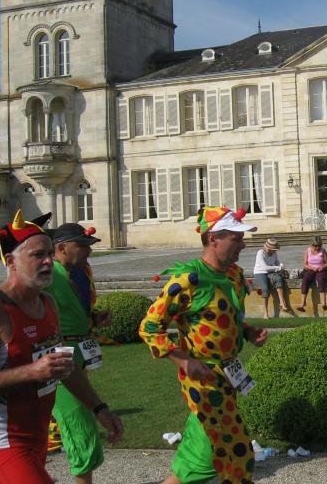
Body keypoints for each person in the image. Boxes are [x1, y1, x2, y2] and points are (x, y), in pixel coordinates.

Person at [0, 210, 122, 483]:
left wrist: (99, 408)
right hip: (4, 437)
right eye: (38, 255)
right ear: (11, 261)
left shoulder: (48, 304)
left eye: (49, 253)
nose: (48, 261)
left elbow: (64, 367)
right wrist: (31, 371)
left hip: (37, 434)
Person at [139, 205, 267, 484]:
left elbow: (231, 315)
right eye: (236, 238)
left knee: (209, 449)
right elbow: (149, 327)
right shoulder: (189, 279)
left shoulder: (234, 274)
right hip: (202, 377)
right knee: (233, 451)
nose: (243, 244)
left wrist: (247, 331)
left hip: (228, 373)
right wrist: (184, 361)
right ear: (213, 239)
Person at [45, 223, 122, 484]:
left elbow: (71, 312)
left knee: (80, 423)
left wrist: (94, 318)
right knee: (81, 426)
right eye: (83, 246)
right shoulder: (47, 275)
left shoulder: (79, 273)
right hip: (60, 359)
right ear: (62, 248)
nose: (88, 251)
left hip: (78, 356)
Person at [253, 237, 290, 318]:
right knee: (265, 289)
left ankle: (282, 302)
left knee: (278, 279)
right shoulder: (260, 253)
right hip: (260, 272)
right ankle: (265, 313)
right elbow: (264, 267)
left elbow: (277, 262)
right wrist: (278, 268)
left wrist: (281, 265)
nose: (275, 251)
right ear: (269, 248)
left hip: (270, 272)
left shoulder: (274, 253)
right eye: (274, 249)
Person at [297, 235, 327, 313]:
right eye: (315, 246)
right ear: (312, 244)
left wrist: (322, 267)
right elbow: (305, 264)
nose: (317, 247)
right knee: (305, 280)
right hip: (310, 269)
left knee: (321, 279)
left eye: (319, 246)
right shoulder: (307, 251)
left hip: (321, 269)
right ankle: (302, 303)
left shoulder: (323, 250)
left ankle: (324, 303)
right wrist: (312, 268)